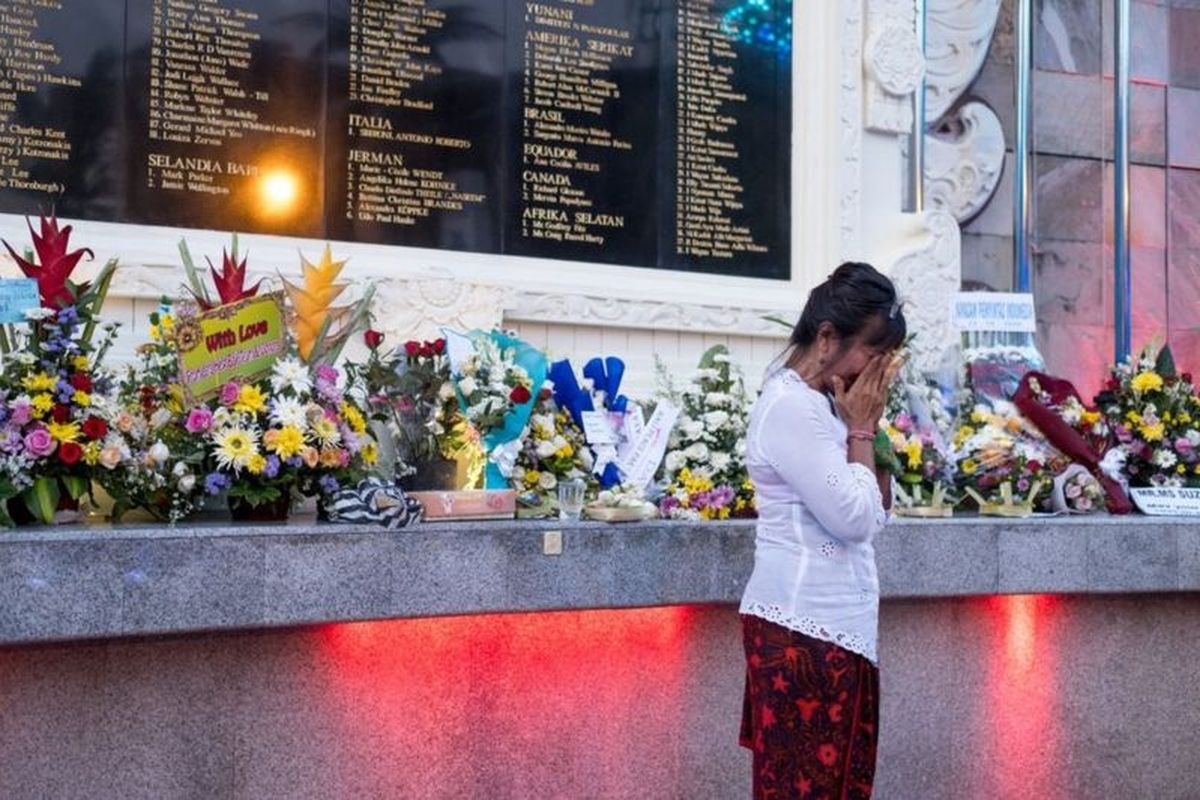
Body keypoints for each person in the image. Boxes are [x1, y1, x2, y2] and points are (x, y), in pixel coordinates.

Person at [738, 262, 906, 799]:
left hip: (839, 628)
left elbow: (876, 509)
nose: (878, 373)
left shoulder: (828, 407)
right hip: (802, 632)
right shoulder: (791, 407)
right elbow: (854, 519)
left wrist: (865, 427)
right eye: (873, 355)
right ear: (828, 337)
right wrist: (861, 428)